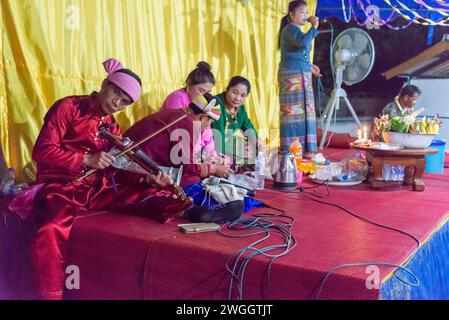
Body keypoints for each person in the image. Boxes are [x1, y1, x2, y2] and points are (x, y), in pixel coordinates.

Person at [29, 58, 192, 300]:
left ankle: (196, 212)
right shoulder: (68, 107)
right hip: (61, 185)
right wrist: (86, 160)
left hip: (96, 186)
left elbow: (115, 169)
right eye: (116, 93)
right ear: (105, 83)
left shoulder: (112, 126)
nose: (117, 103)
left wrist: (148, 179)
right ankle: (51, 295)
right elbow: (42, 151)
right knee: (51, 227)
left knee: (158, 196)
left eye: (125, 101)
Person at [125, 93, 234, 187]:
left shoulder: (176, 114)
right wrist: (214, 169)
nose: (207, 127)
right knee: (192, 180)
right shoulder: (186, 123)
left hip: (127, 157)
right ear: (203, 117)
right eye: (210, 122)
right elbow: (188, 168)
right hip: (130, 167)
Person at [278, 0, 320, 157]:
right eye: (302, 12)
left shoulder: (297, 31)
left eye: (306, 12)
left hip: (302, 74)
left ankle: (305, 149)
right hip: (291, 76)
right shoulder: (289, 29)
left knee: (306, 111)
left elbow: (301, 53)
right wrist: (314, 27)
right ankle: (291, 150)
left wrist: (311, 67)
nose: (306, 15)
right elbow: (303, 44)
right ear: (291, 14)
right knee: (293, 113)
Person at [161, 61, 217, 162]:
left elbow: (207, 133)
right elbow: (182, 134)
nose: (204, 96)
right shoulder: (177, 98)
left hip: (196, 152)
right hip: (175, 151)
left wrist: (213, 157)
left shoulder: (202, 103)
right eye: (201, 90)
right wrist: (205, 161)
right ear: (189, 83)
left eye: (208, 92)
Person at [211, 76, 258, 167]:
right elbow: (218, 137)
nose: (238, 98)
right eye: (234, 92)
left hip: (230, 147)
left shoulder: (240, 108)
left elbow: (248, 127)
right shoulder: (217, 104)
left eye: (243, 95)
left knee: (256, 152)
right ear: (227, 89)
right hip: (213, 148)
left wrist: (256, 143)